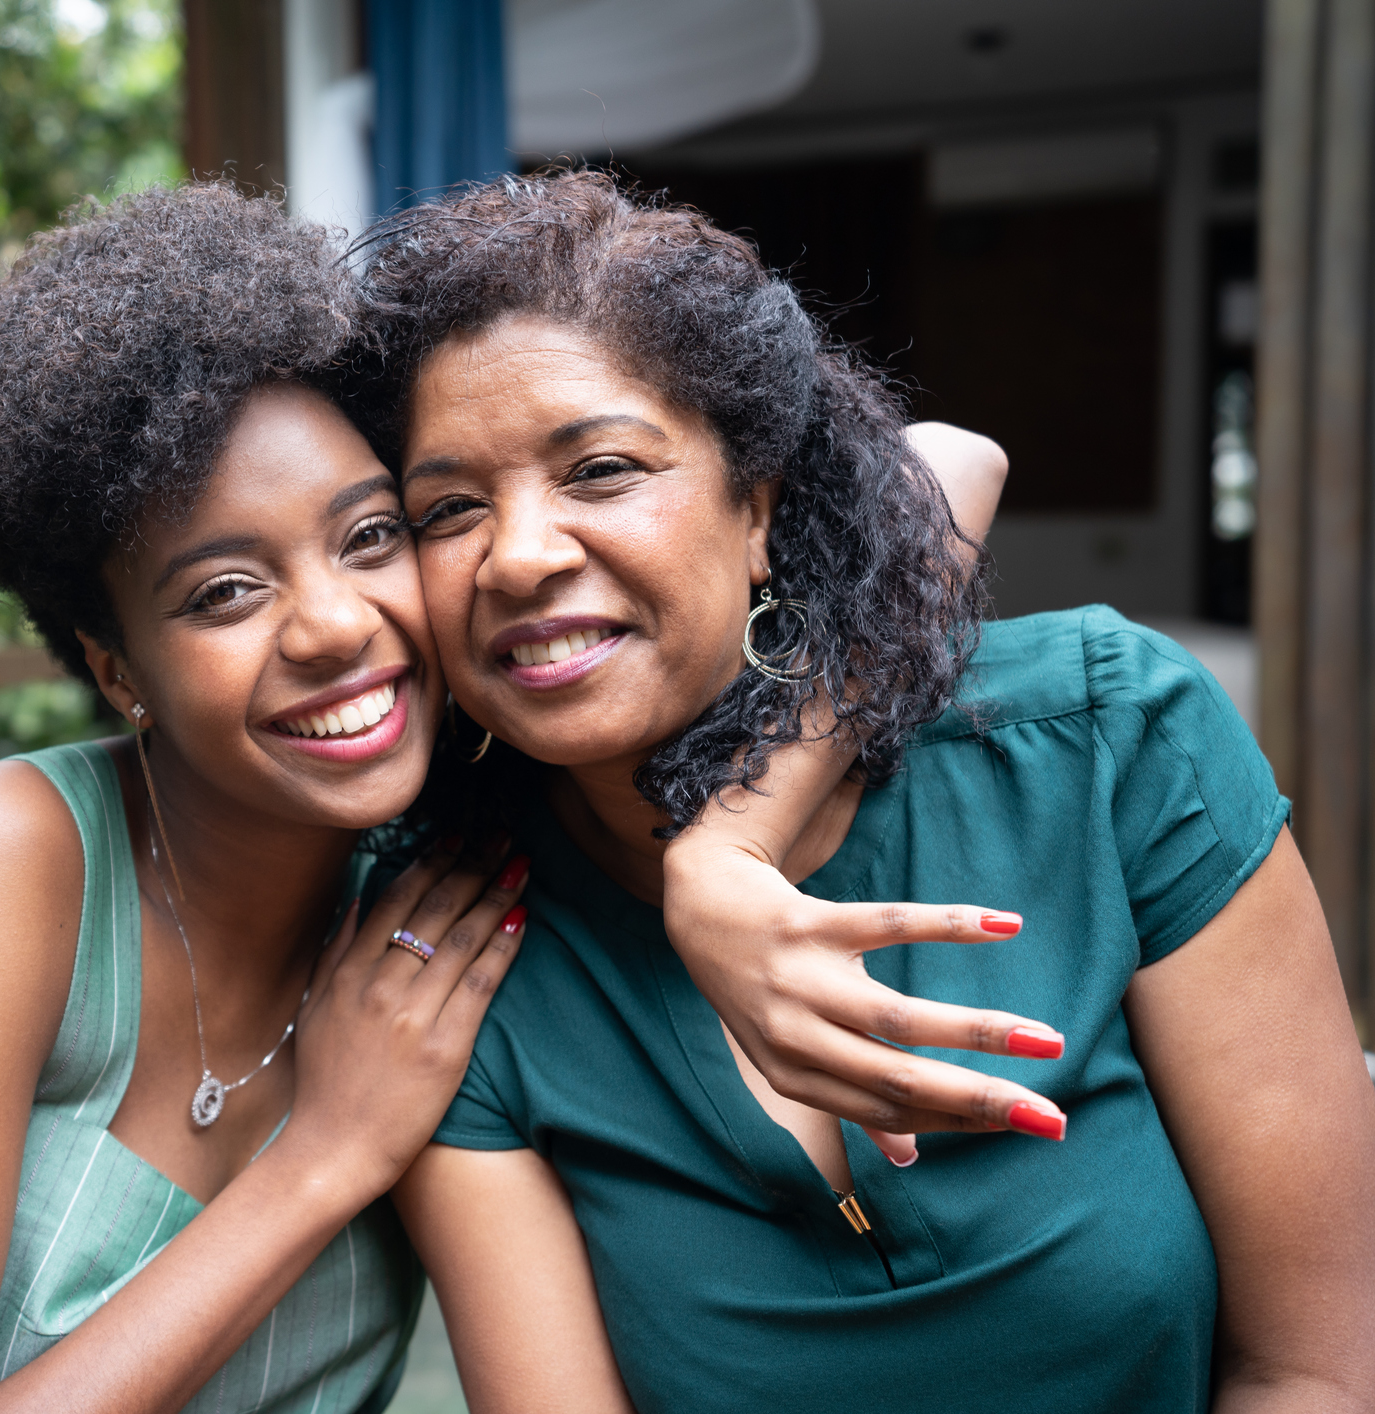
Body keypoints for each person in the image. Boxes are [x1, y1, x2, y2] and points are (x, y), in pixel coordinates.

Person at [0, 184, 1034, 1414]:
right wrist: (323, 1160)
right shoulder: (17, 850)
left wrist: (729, 845)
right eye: (223, 591)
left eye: (371, 536)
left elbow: (947, 467)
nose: (335, 628)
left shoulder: (463, 828)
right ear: (117, 667)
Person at [355, 172, 1375, 1413]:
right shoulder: (459, 958)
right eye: (447, 508)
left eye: (603, 469)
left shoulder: (1103, 739)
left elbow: (1314, 1369)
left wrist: (719, 847)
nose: (516, 553)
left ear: (759, 507)